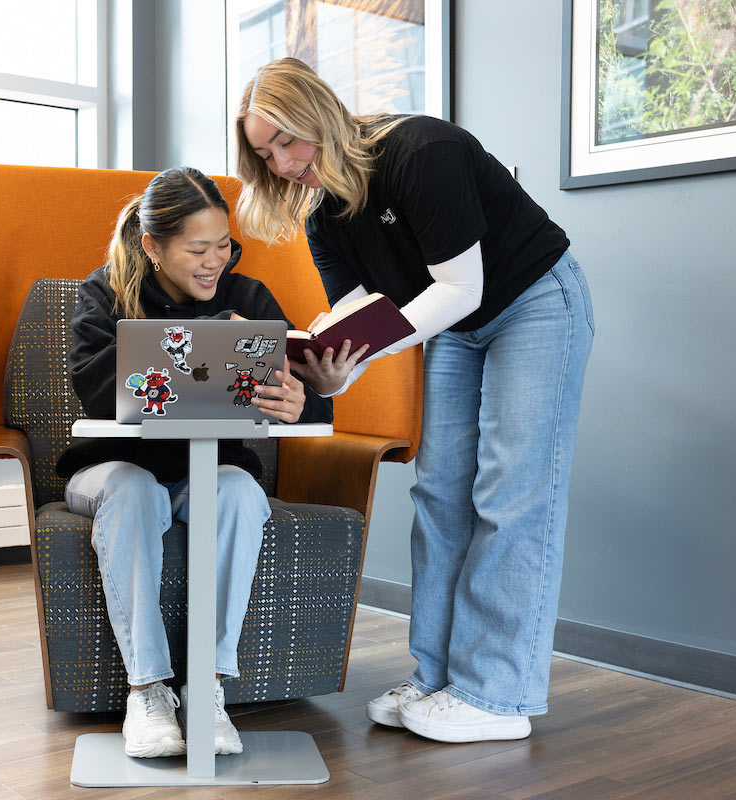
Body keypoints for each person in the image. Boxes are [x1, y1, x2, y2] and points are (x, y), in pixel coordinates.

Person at [234, 58, 593, 744]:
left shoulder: (420, 153)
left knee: (513, 492)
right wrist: (336, 373)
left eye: (287, 140)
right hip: (456, 325)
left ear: (320, 114)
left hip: (532, 302)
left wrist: (372, 346)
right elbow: (359, 319)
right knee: (439, 491)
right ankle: (436, 677)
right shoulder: (324, 220)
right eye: (263, 152)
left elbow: (462, 285)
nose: (281, 163)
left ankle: (497, 692)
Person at [55, 166, 333, 758]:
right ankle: (147, 689)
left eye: (224, 246)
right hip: (111, 470)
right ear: (153, 246)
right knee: (136, 490)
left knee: (237, 492)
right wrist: (203, 331)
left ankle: (206, 688)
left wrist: (302, 401)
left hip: (208, 470)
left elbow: (292, 394)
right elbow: (95, 387)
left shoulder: (248, 297)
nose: (216, 262)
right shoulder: (104, 293)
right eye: (198, 249)